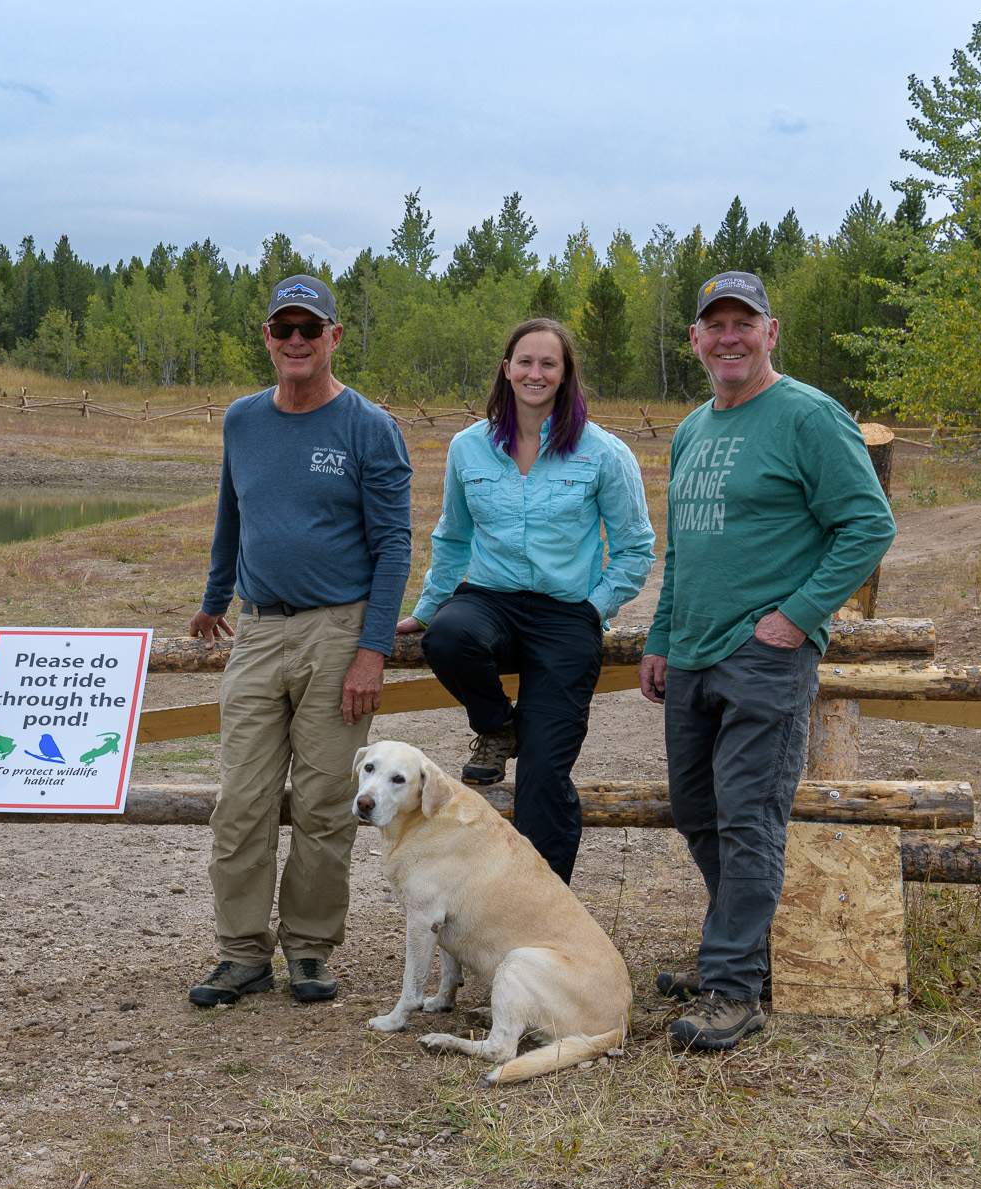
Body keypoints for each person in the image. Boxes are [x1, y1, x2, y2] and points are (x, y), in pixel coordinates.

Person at [638, 271, 896, 1051]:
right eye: (713, 325)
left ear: (770, 331)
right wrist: (658, 635)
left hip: (763, 657)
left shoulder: (809, 417)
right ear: (695, 340)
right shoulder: (692, 430)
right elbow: (683, 547)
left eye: (742, 322)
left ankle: (733, 987)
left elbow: (867, 526)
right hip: (692, 653)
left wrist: (797, 618)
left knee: (749, 819)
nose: (728, 337)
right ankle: (741, 949)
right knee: (698, 810)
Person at [187, 274, 413, 1008]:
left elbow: (394, 546)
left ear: (333, 338)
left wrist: (371, 650)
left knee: (323, 803)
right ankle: (241, 951)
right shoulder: (242, 421)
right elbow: (232, 512)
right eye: (282, 328)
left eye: (308, 330)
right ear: (267, 337)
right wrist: (215, 595)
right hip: (257, 629)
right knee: (241, 800)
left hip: (337, 631)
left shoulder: (369, 427)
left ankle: (311, 948)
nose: (294, 341)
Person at [396, 318, 654, 882]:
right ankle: (495, 726)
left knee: (543, 775)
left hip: (567, 615)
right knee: (448, 635)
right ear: (507, 369)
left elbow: (636, 548)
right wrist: (426, 607)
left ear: (565, 375)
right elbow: (454, 537)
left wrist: (595, 607)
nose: (535, 373)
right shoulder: (470, 447)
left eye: (548, 364)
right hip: (490, 600)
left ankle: (544, 905)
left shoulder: (603, 453)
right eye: (525, 362)